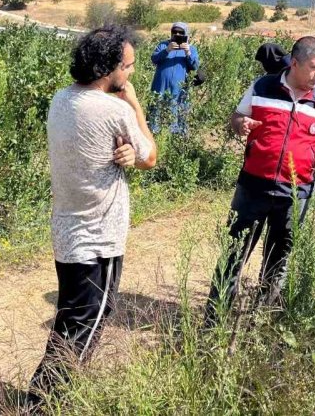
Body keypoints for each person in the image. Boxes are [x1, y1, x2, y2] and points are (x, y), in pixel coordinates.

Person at [204, 36, 315, 325]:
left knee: (279, 260)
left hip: (295, 193)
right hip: (253, 185)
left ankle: (260, 321)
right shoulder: (262, 87)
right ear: (295, 63)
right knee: (234, 253)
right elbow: (237, 116)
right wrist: (241, 124)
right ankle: (213, 320)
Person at [29, 25, 157, 403]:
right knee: (86, 323)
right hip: (99, 238)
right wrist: (134, 103)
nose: (131, 73)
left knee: (70, 319)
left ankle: (43, 395)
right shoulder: (115, 109)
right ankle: (46, 403)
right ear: (109, 68)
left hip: (68, 230)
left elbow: (110, 148)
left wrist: (125, 154)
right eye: (129, 66)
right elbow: (151, 156)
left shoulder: (61, 99)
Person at [149, 22, 200, 135]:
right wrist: (167, 50)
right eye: (174, 32)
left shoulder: (191, 48)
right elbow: (154, 59)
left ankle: (178, 137)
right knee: (156, 109)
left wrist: (188, 53)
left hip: (179, 88)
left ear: (186, 34)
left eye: (181, 32)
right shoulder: (163, 45)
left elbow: (195, 66)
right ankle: (154, 134)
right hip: (160, 86)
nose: (177, 34)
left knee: (179, 109)